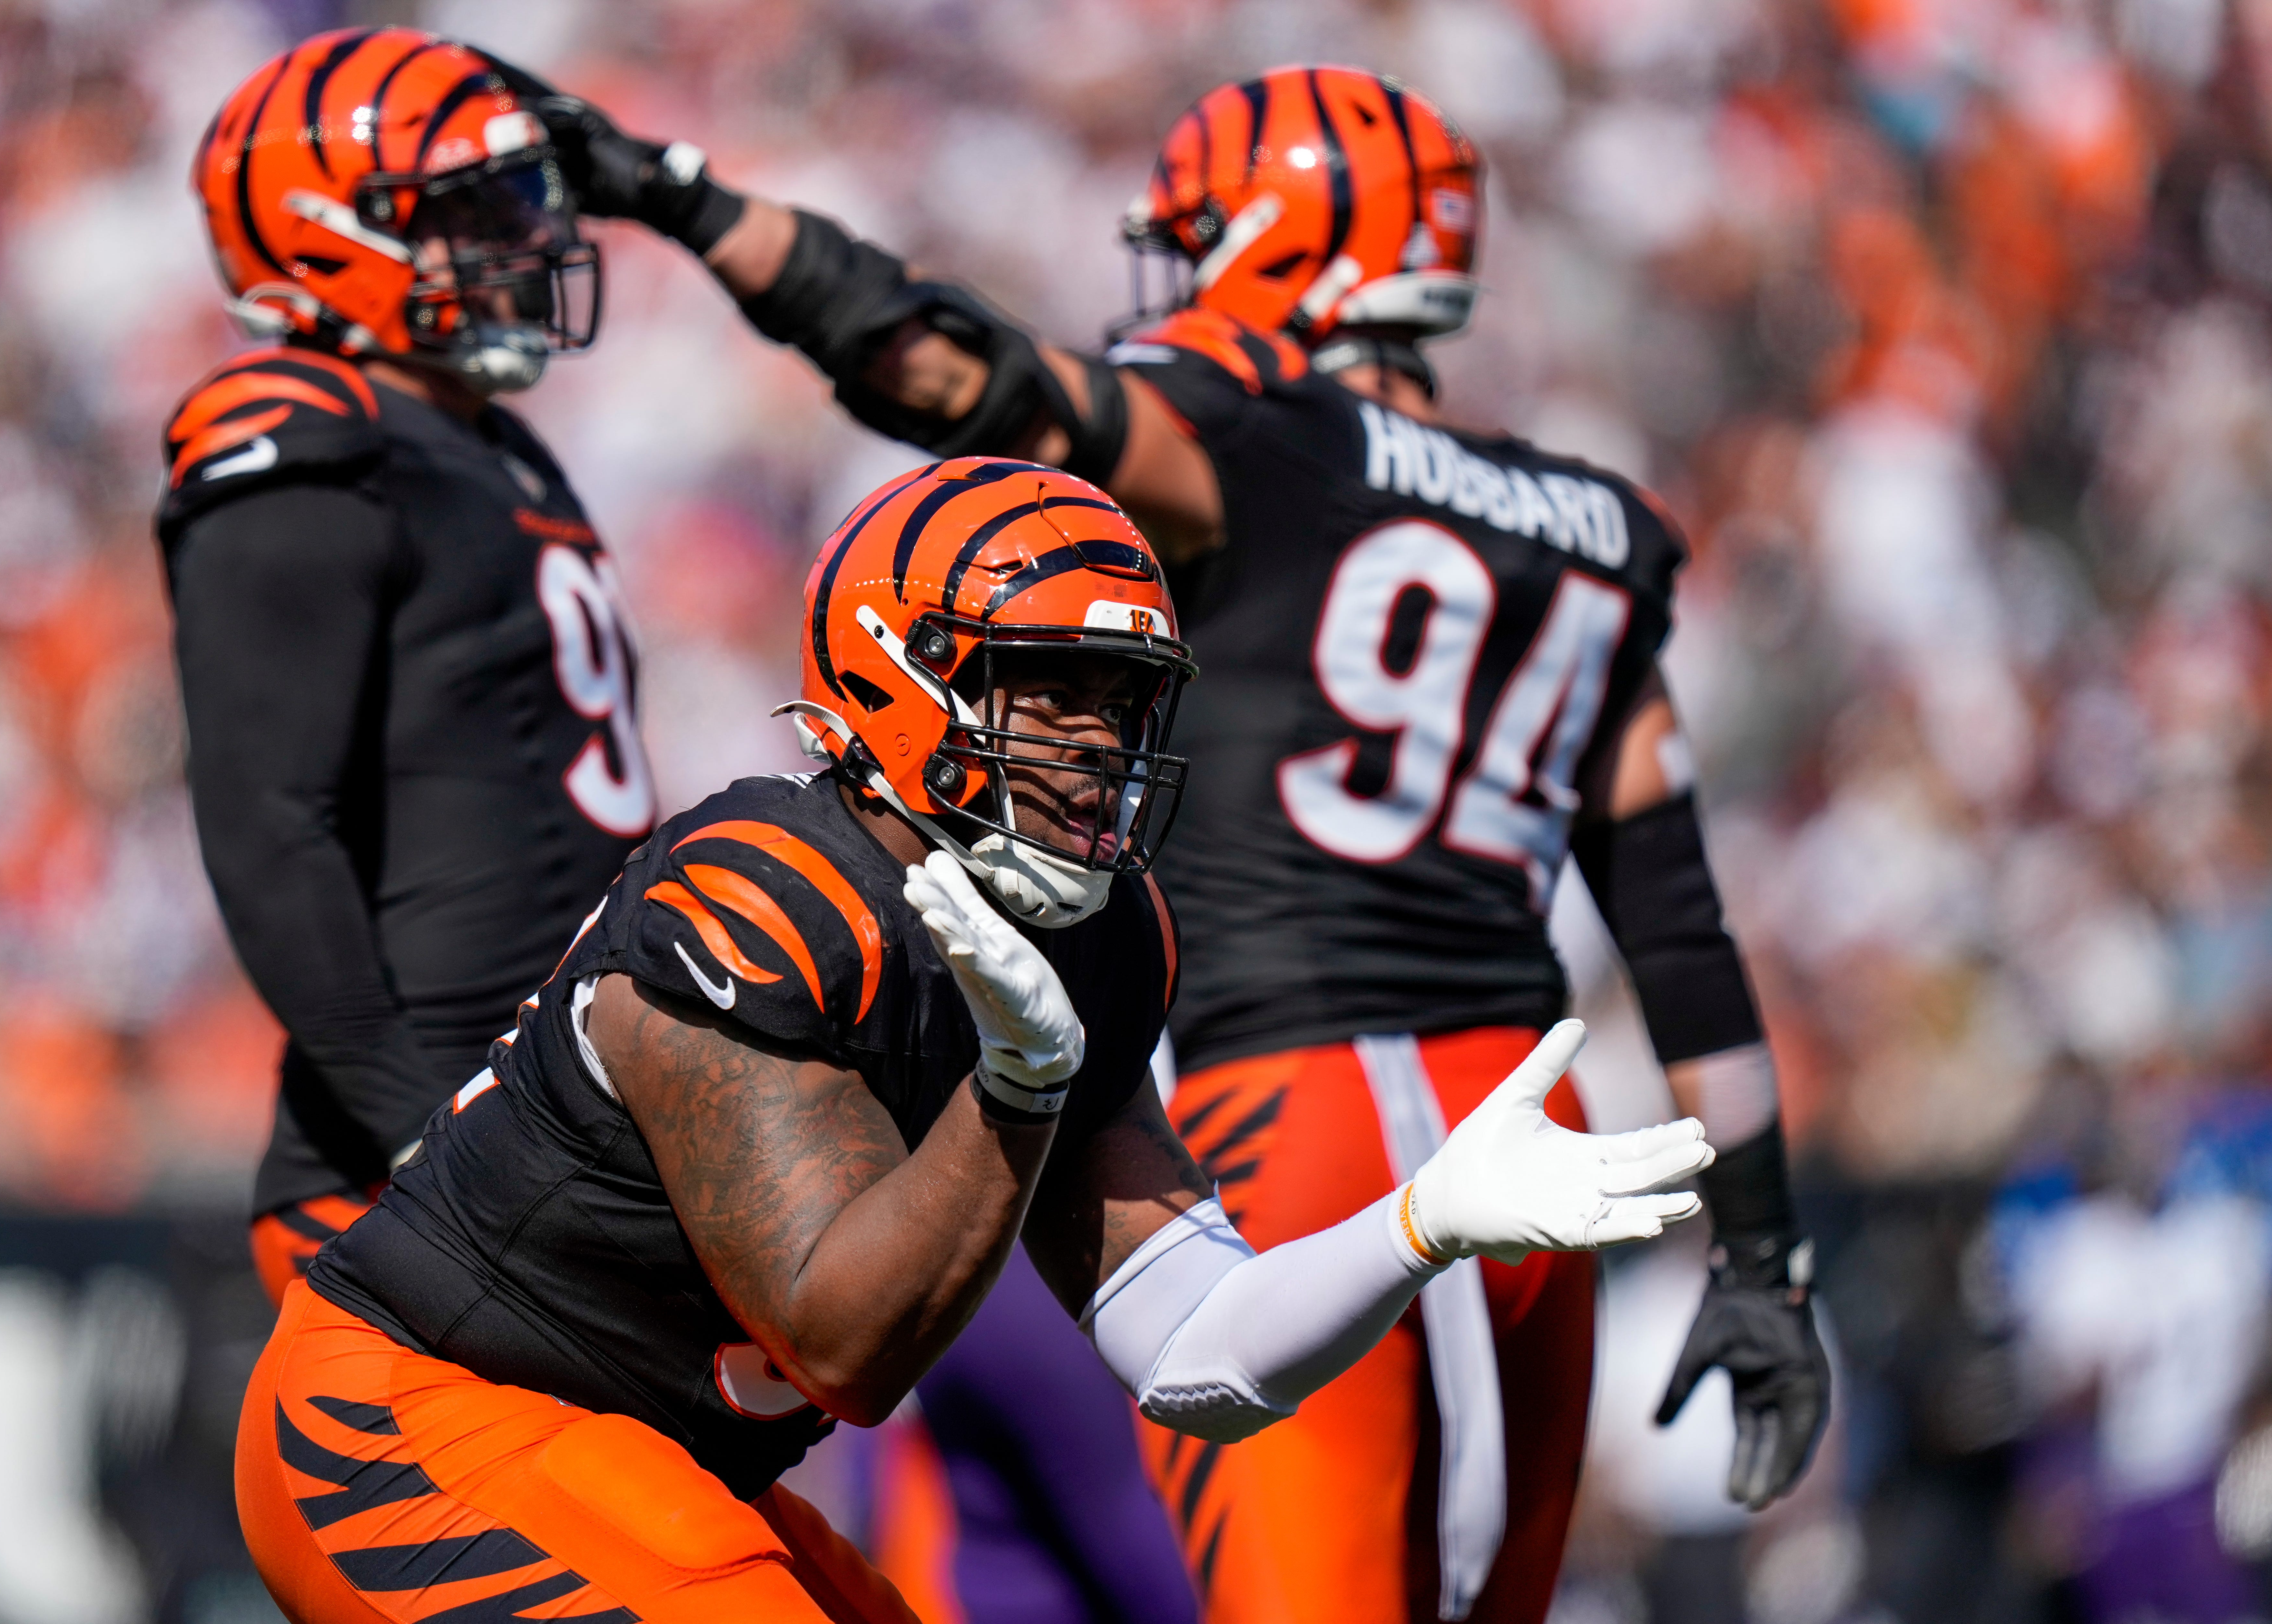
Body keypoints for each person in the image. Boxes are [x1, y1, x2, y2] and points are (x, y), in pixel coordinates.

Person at [541, 63, 1832, 1621]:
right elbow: (1680, 936)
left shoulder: (1254, 439)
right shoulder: (1595, 531)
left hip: (1286, 1108)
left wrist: (679, 195)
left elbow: (938, 371)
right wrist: (1761, 1259)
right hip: (1514, 1115)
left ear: (1286, 248)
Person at [234, 452, 1719, 1624]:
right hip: (416, 1416)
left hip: (652, 1456)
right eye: (1050, 687)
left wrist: (1412, 1228)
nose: (1095, 742)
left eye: (1123, 698)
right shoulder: (767, 891)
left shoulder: (1096, 930)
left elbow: (1198, 1357)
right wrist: (1016, 1088)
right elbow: (844, 1345)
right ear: (897, 669)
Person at [155, 29, 674, 1304]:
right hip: (418, 1169)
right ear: (325, 234)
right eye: (465, 213)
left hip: (562, 1134)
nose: (515, 243)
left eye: (517, 203)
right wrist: (421, 1129)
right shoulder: (301, 436)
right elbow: (273, 824)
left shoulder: (482, 442)